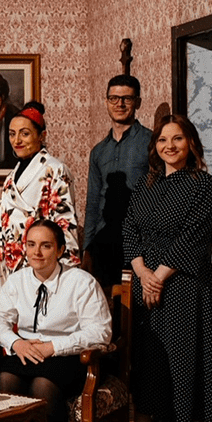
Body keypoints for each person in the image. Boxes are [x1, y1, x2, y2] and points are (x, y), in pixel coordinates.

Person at [115, 115, 212, 422]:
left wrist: (158, 276)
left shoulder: (203, 185)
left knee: (184, 359)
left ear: (191, 143)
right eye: (162, 139)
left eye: (177, 139)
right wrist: (142, 272)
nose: (169, 146)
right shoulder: (146, 185)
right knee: (146, 359)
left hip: (184, 285)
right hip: (146, 283)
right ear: (154, 146)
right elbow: (129, 230)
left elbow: (193, 236)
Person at [0, 219, 111, 422]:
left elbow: (100, 332)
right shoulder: (18, 280)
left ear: (61, 250)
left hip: (70, 357)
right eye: (31, 245)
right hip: (27, 351)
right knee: (5, 378)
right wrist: (15, 342)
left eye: (46, 246)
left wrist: (53, 347)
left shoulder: (81, 282)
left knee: (43, 385)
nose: (37, 252)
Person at [0, 101, 80, 295]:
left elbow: (65, 222)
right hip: (10, 259)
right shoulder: (11, 177)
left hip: (40, 257)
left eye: (25, 134)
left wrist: (67, 270)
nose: (17, 140)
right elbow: (1, 220)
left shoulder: (55, 170)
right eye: (12, 134)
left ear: (42, 136)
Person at [83, 74, 152, 289]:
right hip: (104, 242)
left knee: (136, 303)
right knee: (104, 302)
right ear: (106, 101)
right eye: (113, 98)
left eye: (126, 98)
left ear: (138, 102)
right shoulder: (98, 151)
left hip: (140, 242)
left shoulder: (151, 143)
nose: (119, 104)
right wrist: (87, 248)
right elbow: (93, 202)